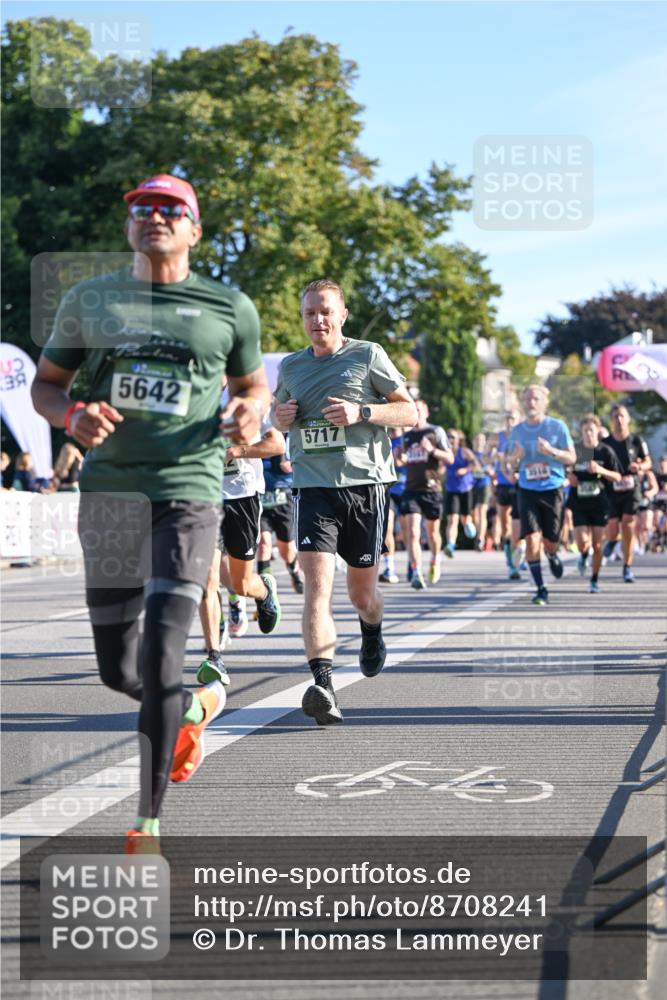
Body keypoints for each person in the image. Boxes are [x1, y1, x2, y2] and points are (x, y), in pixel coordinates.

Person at [31, 173, 270, 849]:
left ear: (194, 228)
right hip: (108, 492)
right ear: (129, 224)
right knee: (119, 671)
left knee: (166, 652)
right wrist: (72, 414)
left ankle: (148, 823)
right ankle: (191, 708)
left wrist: (248, 408)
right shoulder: (90, 299)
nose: (154, 217)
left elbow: (250, 385)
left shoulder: (229, 306)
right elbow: (49, 386)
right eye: (142, 207)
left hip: (189, 489)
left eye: (171, 209)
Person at [272, 279, 417, 726]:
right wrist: (279, 417)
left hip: (365, 487)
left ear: (342, 315)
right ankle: (323, 686)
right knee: (316, 587)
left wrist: (363, 413)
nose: (317, 320)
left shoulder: (367, 355)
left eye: (325, 311)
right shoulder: (291, 366)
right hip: (312, 487)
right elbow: (276, 417)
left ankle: (371, 630)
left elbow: (409, 412)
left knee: (362, 594)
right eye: (309, 313)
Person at [197, 421, 284, 687]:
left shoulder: (249, 401)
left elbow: (277, 444)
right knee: (206, 581)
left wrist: (237, 451)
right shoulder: (190, 399)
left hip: (242, 497)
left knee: (239, 583)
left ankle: (264, 591)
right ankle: (214, 655)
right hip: (203, 498)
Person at [505, 384, 576, 606]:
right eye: (527, 399)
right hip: (527, 489)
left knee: (550, 541)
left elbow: (572, 458)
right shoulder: (517, 431)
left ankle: (553, 554)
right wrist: (515, 458)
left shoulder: (557, 427)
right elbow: (508, 463)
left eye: (535, 399)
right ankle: (540, 588)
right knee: (532, 540)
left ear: (544, 402)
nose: (531, 403)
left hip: (553, 489)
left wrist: (552, 452)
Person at [397, 400, 452, 588]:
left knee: (432, 532)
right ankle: (416, 571)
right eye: (413, 410)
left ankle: (435, 559)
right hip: (411, 490)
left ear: (426, 412)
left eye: (419, 410)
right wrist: (401, 458)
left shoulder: (436, 432)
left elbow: (450, 458)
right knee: (412, 531)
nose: (416, 413)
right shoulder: (407, 436)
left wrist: (432, 450)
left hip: (432, 490)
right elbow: (404, 461)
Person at [567, 414, 622, 593]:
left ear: (597, 431)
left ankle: (594, 579)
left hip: (600, 503)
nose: (589, 433)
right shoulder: (575, 450)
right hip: (579, 502)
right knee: (583, 541)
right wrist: (570, 477)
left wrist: (600, 469)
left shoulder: (605, 452)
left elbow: (617, 476)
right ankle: (583, 555)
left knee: (598, 545)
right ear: (581, 432)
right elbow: (563, 470)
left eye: (592, 430)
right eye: (585, 430)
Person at [603, 404, 652, 582]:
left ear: (628, 419)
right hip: (612, 490)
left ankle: (627, 567)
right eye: (616, 416)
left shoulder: (636, 440)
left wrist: (639, 466)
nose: (619, 420)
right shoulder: (606, 444)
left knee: (628, 524)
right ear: (611, 420)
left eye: (622, 416)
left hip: (632, 488)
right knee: (613, 526)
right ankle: (612, 540)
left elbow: (648, 462)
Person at [257, 436, 305, 594]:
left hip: (283, 496)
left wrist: (289, 466)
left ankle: (294, 571)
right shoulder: (253, 434)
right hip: (261, 498)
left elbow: (303, 461)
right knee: (264, 544)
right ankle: (266, 593)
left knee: (287, 549)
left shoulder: (288, 435)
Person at [494, 413, 522, 579]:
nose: (510, 422)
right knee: (505, 525)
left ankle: (516, 560)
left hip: (520, 484)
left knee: (518, 525)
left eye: (513, 419)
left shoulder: (522, 436)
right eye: (508, 419)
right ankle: (509, 556)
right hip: (504, 484)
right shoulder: (498, 438)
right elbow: (492, 457)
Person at [379, 428, 407, 583]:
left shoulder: (407, 439)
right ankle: (390, 568)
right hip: (388, 488)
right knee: (387, 528)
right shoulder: (382, 437)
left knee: (408, 530)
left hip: (406, 489)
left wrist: (402, 460)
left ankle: (413, 564)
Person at [443, 430, 477, 558]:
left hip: (465, 488)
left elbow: (475, 464)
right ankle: (450, 545)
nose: (450, 439)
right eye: (448, 436)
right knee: (452, 519)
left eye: (453, 437)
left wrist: (465, 469)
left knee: (466, 520)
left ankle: (468, 525)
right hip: (451, 489)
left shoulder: (464, 451)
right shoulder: (445, 452)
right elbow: (440, 467)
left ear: (458, 439)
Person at [471, 431, 494, 552]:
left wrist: (488, 471)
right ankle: (478, 534)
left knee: (482, 512)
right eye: (477, 440)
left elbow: (492, 469)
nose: (479, 442)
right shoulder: (470, 455)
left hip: (484, 484)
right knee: (474, 514)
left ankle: (480, 540)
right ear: (474, 442)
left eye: (482, 440)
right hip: (471, 486)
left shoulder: (488, 455)